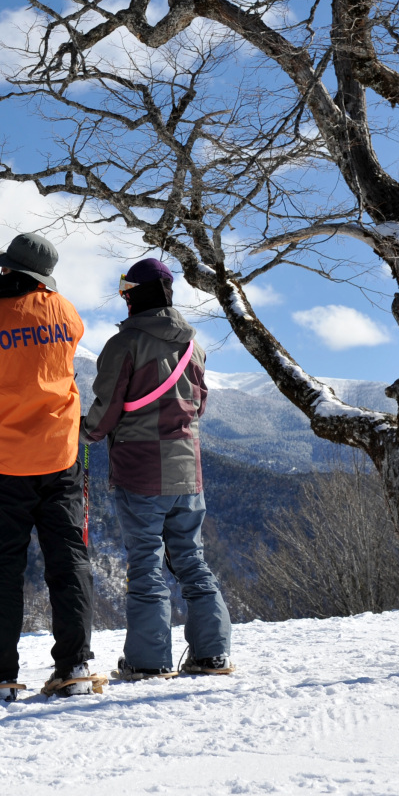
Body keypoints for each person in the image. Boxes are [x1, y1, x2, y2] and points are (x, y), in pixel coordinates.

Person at [0, 232, 96, 700]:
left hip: (5, 459)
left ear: (10, 270)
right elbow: (30, 309)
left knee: (1, 570)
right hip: (61, 454)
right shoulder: (68, 313)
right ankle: (73, 667)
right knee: (69, 562)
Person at [82, 257, 233, 679]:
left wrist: (88, 432)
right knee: (191, 559)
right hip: (189, 471)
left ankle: (150, 661)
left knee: (146, 562)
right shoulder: (193, 346)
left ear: (134, 296)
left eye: (125, 291)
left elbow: (108, 407)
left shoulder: (124, 344)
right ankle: (212, 653)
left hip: (141, 470)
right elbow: (198, 406)